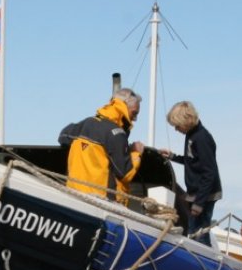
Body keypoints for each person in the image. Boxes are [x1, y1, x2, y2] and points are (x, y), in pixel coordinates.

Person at [58, 87, 144, 205]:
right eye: (134, 113)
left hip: (74, 195)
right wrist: (136, 153)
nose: (135, 118)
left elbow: (63, 136)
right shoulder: (116, 134)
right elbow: (125, 174)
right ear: (123, 106)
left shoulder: (87, 123)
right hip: (101, 202)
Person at [159, 101, 222, 243]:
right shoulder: (192, 135)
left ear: (185, 121)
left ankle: (203, 263)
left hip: (204, 195)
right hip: (197, 193)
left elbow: (209, 172)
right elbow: (192, 161)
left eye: (177, 125)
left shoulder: (201, 138)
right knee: (194, 231)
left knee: (199, 234)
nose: (176, 129)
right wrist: (172, 157)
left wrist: (199, 203)